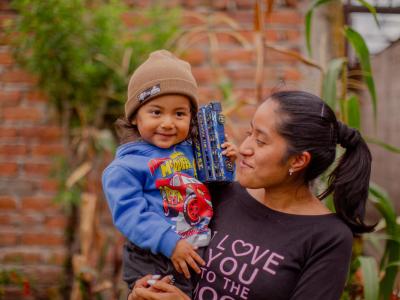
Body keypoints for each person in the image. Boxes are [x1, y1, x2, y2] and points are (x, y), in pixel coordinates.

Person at [128, 90, 374, 300]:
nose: (244, 148)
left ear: (298, 160)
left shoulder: (327, 238)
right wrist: (143, 291)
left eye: (261, 141)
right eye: (249, 133)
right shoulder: (220, 195)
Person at [102, 49, 236, 296]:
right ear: (135, 117)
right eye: (156, 112)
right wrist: (170, 243)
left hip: (194, 252)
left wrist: (227, 162)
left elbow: (216, 191)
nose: (168, 123)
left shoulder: (194, 153)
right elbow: (130, 215)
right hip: (154, 256)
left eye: (179, 113)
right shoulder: (126, 167)